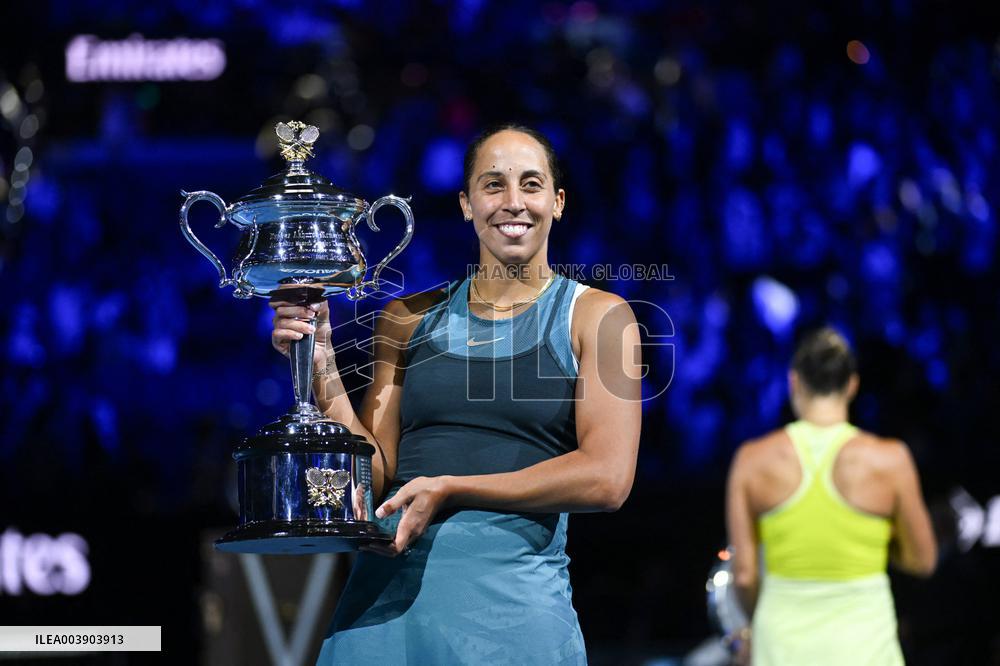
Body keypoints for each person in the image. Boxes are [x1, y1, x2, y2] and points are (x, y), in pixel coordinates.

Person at [271, 124, 642, 664]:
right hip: (381, 615)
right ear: (467, 204)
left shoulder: (599, 317)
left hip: (511, 620)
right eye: (493, 185)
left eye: (531, 184)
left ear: (558, 203)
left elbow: (607, 478)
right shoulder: (405, 318)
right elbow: (374, 474)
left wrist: (451, 488)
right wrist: (320, 362)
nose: (513, 202)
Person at [724, 327, 937, 665]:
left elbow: (745, 575)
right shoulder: (890, 460)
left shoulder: (752, 460)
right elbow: (922, 560)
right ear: (852, 385)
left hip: (782, 650)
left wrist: (756, 624)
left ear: (794, 382)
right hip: (866, 651)